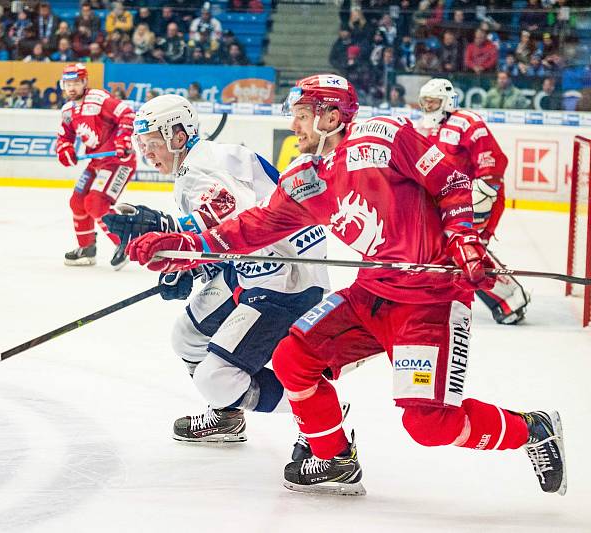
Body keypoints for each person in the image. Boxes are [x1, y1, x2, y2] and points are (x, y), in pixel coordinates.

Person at [125, 73, 566, 497]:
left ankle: (535, 429)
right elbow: (254, 227)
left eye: (300, 115)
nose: (292, 125)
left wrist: (464, 240)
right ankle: (333, 457)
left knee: (428, 426)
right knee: (294, 356)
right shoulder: (307, 176)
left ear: (330, 115)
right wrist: (183, 242)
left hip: (430, 301)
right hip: (372, 291)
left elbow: (451, 181)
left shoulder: (384, 134)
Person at [101, 95, 330, 452]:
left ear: (178, 137)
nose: (147, 153)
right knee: (187, 336)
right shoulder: (208, 159)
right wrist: (192, 267)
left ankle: (318, 412)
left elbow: (243, 224)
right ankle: (227, 414)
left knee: (216, 377)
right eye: (142, 145)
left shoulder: (199, 171)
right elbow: (233, 237)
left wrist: (175, 234)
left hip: (284, 278)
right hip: (257, 266)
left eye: (152, 144)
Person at [418, 78, 529, 324]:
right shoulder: (426, 129)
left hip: (478, 200)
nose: (428, 107)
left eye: (433, 102)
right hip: (449, 203)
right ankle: (507, 298)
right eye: (424, 102)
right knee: (454, 253)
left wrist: (480, 202)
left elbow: (493, 161)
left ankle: (511, 296)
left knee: (465, 252)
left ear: (446, 102)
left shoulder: (467, 122)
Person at [55, 63, 136, 269]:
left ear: (84, 82)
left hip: (119, 162)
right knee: (78, 201)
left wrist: (123, 140)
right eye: (68, 84)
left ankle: (125, 244)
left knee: (96, 203)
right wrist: (65, 150)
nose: (71, 88)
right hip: (97, 162)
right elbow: (64, 136)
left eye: (76, 83)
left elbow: (127, 114)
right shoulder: (67, 110)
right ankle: (87, 248)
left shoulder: (99, 99)